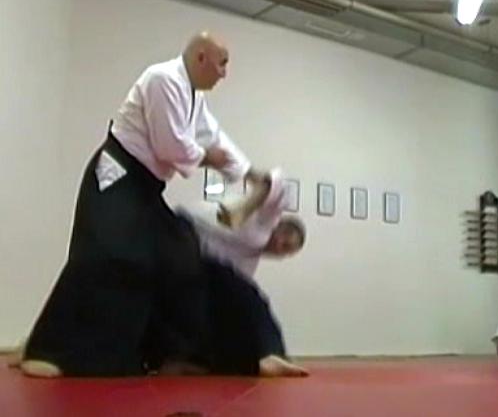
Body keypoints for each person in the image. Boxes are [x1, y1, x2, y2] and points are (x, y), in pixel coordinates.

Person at [21, 32, 267, 378]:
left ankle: (172, 354)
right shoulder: (162, 80)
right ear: (201, 57)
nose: (224, 73)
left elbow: (214, 137)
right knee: (107, 253)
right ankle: (50, 351)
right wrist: (208, 158)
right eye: (222, 63)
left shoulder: (193, 97)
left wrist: (249, 173)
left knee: (180, 255)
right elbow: (171, 147)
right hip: (116, 176)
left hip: (145, 189)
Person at [167, 169, 309, 377]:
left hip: (195, 262)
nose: (280, 250)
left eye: (286, 252)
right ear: (279, 227)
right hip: (179, 229)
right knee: (253, 297)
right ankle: (271, 353)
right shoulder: (263, 220)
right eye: (285, 243)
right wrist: (245, 206)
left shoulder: (249, 263)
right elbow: (277, 181)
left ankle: (199, 361)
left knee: (224, 307)